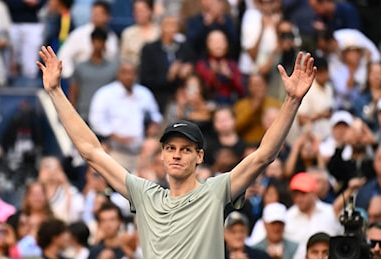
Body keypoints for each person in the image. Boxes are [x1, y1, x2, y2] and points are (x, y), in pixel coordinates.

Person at [36, 46, 317, 258]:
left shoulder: (216, 191)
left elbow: (264, 155)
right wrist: (55, 92)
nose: (176, 154)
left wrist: (292, 100)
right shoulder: (145, 195)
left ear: (200, 157)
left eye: (186, 149)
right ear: (162, 155)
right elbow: (91, 151)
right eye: (170, 147)